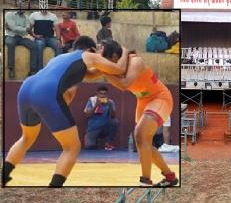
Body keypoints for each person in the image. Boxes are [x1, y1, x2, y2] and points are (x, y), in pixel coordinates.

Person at [3, 36, 129, 187]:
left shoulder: (61, 58)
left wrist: (105, 68)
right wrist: (126, 52)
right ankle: (55, 187)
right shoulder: (89, 55)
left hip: (26, 89)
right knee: (72, 147)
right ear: (90, 49)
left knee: (26, 138)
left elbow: (92, 74)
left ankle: (3, 175)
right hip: (46, 92)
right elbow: (119, 69)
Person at [101, 40, 178, 187]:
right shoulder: (119, 62)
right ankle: (170, 177)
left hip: (160, 98)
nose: (107, 65)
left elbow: (124, 85)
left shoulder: (136, 62)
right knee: (143, 141)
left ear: (116, 56)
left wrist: (103, 71)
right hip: (143, 100)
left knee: (141, 135)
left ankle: (145, 181)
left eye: (108, 61)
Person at [84, 86, 119, 150]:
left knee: (115, 122)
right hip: (93, 128)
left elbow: (113, 117)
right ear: (97, 94)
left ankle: (109, 143)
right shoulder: (92, 101)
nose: (102, 96)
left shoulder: (110, 102)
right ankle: (92, 140)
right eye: (101, 94)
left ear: (107, 95)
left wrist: (110, 106)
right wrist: (96, 106)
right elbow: (87, 116)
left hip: (105, 128)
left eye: (104, 94)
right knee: (89, 147)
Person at [5, 10, 37, 78]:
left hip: (21, 37)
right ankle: (11, 69)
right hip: (10, 36)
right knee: (10, 43)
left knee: (34, 46)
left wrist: (18, 29)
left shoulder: (26, 17)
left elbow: (26, 31)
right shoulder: (9, 14)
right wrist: (24, 29)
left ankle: (32, 70)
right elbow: (13, 27)